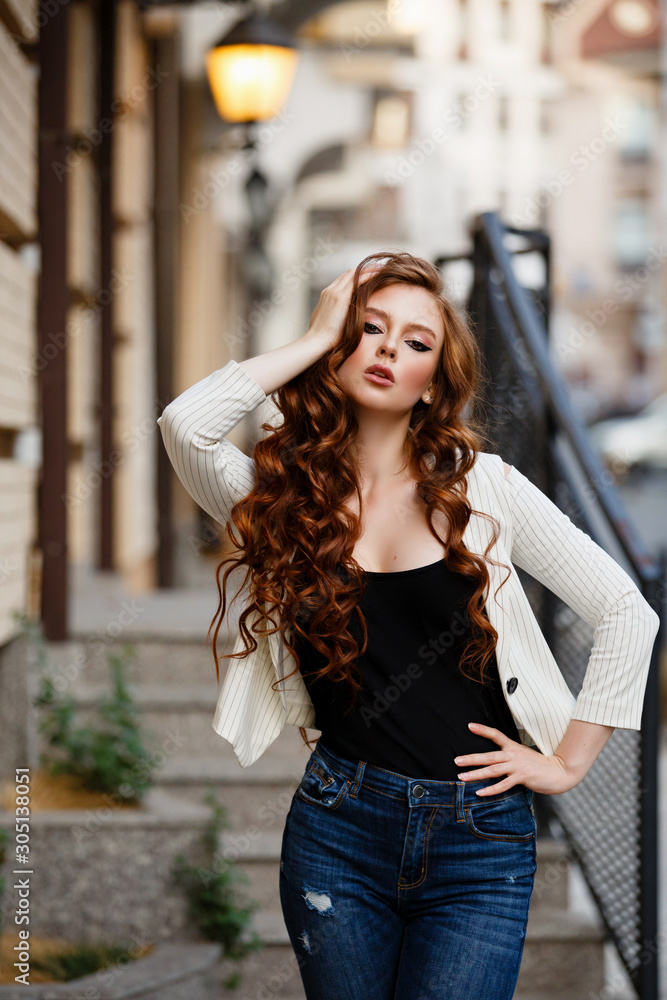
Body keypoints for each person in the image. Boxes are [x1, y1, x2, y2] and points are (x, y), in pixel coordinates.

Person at [157, 251, 660, 1000]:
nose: (390, 349)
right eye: (370, 329)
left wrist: (565, 764)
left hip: (480, 842)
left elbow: (627, 611)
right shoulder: (277, 496)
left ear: (433, 384)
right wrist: (312, 339)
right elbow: (184, 424)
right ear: (338, 348)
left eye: (416, 341)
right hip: (339, 829)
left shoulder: (485, 487)